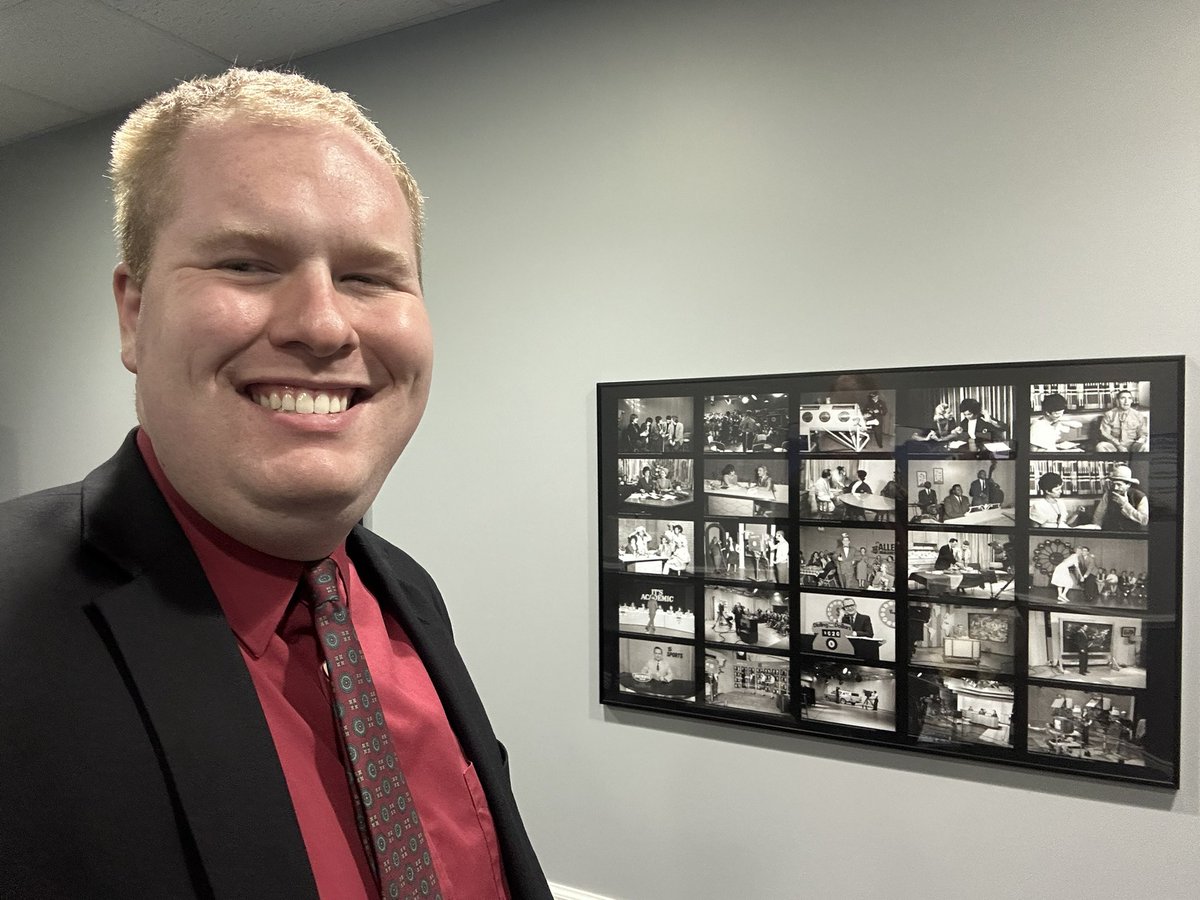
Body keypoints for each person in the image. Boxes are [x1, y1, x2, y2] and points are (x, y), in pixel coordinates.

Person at [0, 69, 549, 898]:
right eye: (248, 263)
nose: (323, 325)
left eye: (369, 277)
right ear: (133, 313)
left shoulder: (405, 594)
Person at [1090, 464, 1149, 532]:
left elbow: (1144, 520)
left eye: (1119, 485)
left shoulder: (1140, 497)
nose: (1115, 488)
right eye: (1114, 484)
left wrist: (1124, 504)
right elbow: (1098, 517)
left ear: (1128, 485)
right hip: (1111, 533)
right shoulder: (1108, 494)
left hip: (1132, 536)